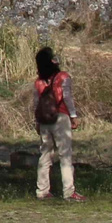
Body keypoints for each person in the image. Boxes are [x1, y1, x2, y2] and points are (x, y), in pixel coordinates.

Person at [33, 47, 85, 202]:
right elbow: (67, 98)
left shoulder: (39, 81)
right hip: (60, 117)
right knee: (65, 154)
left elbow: (36, 103)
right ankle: (69, 191)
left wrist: (37, 121)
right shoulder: (63, 77)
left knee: (45, 154)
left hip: (44, 120)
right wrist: (73, 116)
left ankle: (42, 190)